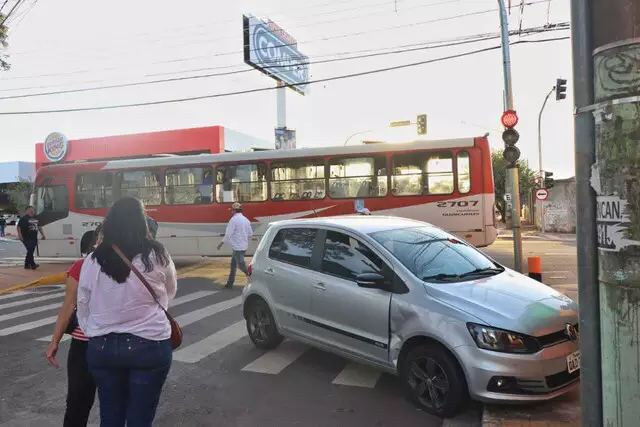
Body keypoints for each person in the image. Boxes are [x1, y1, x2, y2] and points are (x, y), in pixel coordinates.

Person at [76, 197, 177, 426]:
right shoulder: (158, 255)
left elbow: (83, 303)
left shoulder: (93, 260)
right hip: (149, 345)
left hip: (102, 347)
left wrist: (93, 330)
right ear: (142, 223)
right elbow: (169, 292)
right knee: (141, 418)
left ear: (109, 224)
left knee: (110, 416)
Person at [45, 225, 103, 427]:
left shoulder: (82, 265)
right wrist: (54, 340)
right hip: (111, 343)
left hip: (86, 345)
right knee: (113, 406)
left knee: (78, 404)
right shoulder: (132, 265)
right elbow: (69, 306)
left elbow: (68, 306)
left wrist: (55, 341)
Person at [217, 202, 253, 289]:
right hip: (243, 246)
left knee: (241, 265)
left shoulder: (233, 220)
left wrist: (221, 244)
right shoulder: (246, 220)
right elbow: (250, 234)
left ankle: (252, 277)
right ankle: (230, 283)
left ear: (234, 210)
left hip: (237, 247)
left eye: (231, 210)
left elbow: (228, 234)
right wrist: (243, 238)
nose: (231, 212)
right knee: (233, 265)